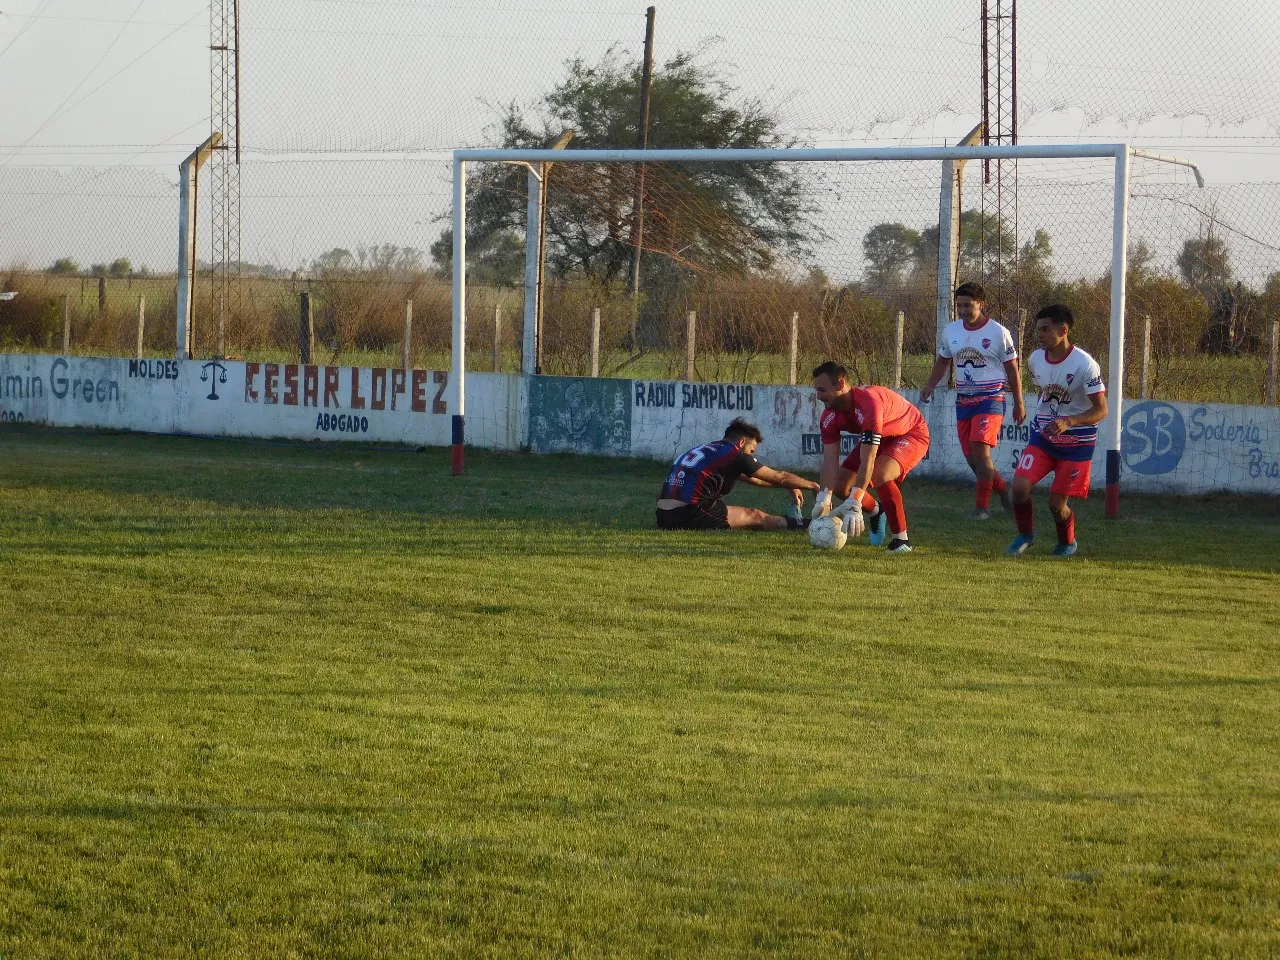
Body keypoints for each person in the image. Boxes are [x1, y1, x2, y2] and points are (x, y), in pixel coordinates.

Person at [1006, 304, 1108, 557]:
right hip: (1044, 438)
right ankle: (1025, 534)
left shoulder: (1085, 365)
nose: (1039, 334)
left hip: (1077, 446)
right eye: (1037, 329)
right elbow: (1046, 392)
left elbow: (1101, 410)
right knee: (1019, 488)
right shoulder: (1035, 359)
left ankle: (1067, 542)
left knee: (1056, 504)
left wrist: (1069, 421)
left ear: (1063, 330)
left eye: (1045, 329)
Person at [920, 281, 1026, 519]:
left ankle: (981, 509)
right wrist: (929, 385)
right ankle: (1003, 492)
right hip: (964, 400)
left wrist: (1019, 402)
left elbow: (1012, 369)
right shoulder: (952, 331)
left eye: (968, 305)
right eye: (960, 306)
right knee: (972, 460)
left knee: (980, 452)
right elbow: (943, 361)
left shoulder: (998, 332)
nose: (964, 310)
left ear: (981, 304)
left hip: (991, 399)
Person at [810, 361, 931, 553]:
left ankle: (901, 540)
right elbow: (829, 460)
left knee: (879, 474)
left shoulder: (869, 405)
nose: (818, 397)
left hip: (911, 433)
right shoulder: (828, 416)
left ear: (840, 385)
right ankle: (876, 511)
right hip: (881, 435)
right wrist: (823, 498)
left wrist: (855, 500)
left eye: (822, 390)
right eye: (817, 390)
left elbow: (868, 460)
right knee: (842, 486)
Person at [656, 417, 820, 530]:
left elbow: (756, 479)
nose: (751, 455)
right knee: (756, 516)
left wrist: (788, 486)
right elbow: (781, 476)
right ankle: (808, 525)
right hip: (691, 514)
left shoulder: (708, 450)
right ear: (742, 442)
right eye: (751, 450)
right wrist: (811, 485)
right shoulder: (735, 454)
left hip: (663, 516)